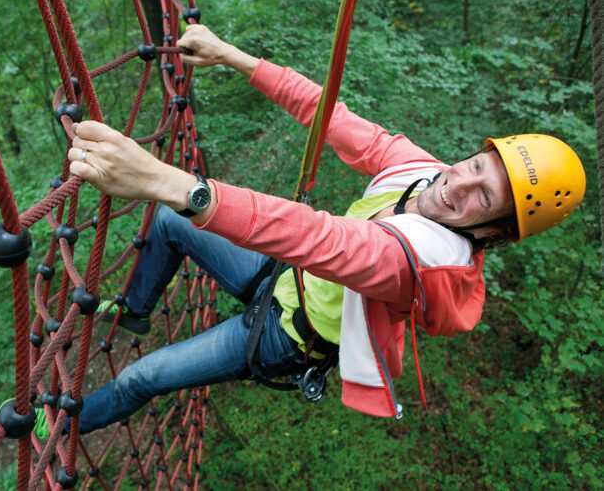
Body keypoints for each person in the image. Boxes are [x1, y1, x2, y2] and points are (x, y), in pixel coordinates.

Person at [57, 24, 585, 432]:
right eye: (475, 165)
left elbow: (317, 237)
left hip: (286, 334)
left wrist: (164, 179)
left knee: (139, 378)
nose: (458, 184)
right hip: (284, 277)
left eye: (483, 197)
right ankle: (136, 312)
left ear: (493, 232)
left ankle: (67, 428)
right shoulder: (420, 171)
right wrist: (231, 56)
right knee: (173, 221)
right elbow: (329, 114)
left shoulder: (420, 261)